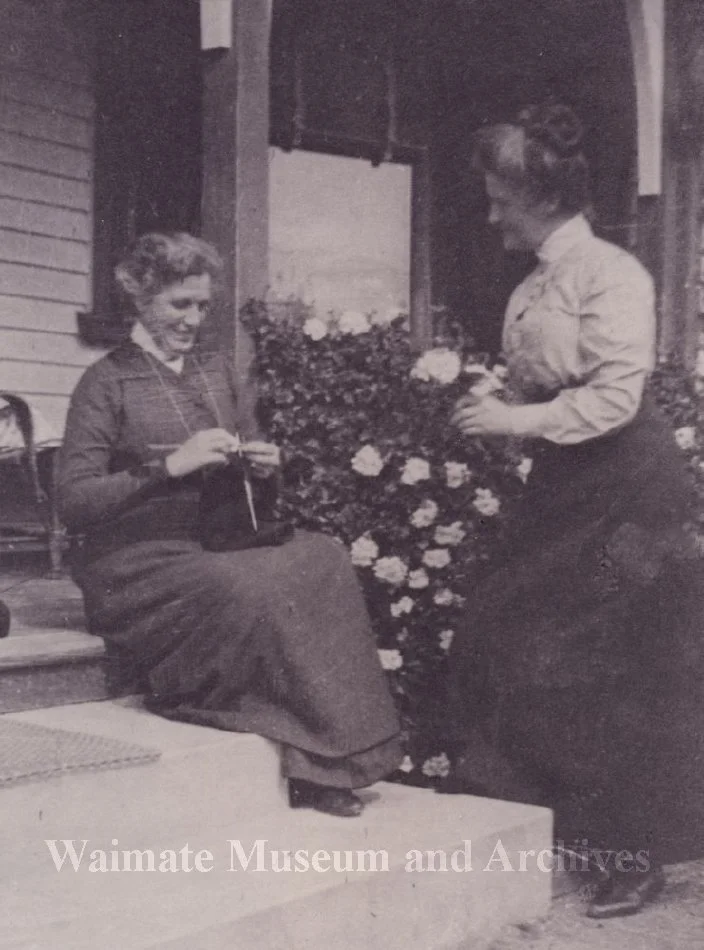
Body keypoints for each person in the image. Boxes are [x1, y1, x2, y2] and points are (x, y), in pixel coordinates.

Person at [444, 103, 704, 917]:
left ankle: (638, 857)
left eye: (499, 202)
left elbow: (617, 398)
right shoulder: (533, 286)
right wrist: (492, 393)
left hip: (631, 489)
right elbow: (538, 376)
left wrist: (512, 420)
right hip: (565, 486)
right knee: (506, 630)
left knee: (613, 658)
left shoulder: (611, 275)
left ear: (542, 199)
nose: (490, 217)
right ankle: (552, 823)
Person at [58, 232, 402, 818]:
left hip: (217, 541)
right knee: (252, 588)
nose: (193, 319)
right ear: (141, 298)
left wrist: (265, 464)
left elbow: (249, 459)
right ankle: (307, 760)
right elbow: (74, 501)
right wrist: (168, 466)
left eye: (202, 305)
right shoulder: (107, 381)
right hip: (134, 563)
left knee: (320, 557)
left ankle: (334, 760)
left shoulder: (216, 370)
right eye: (179, 304)